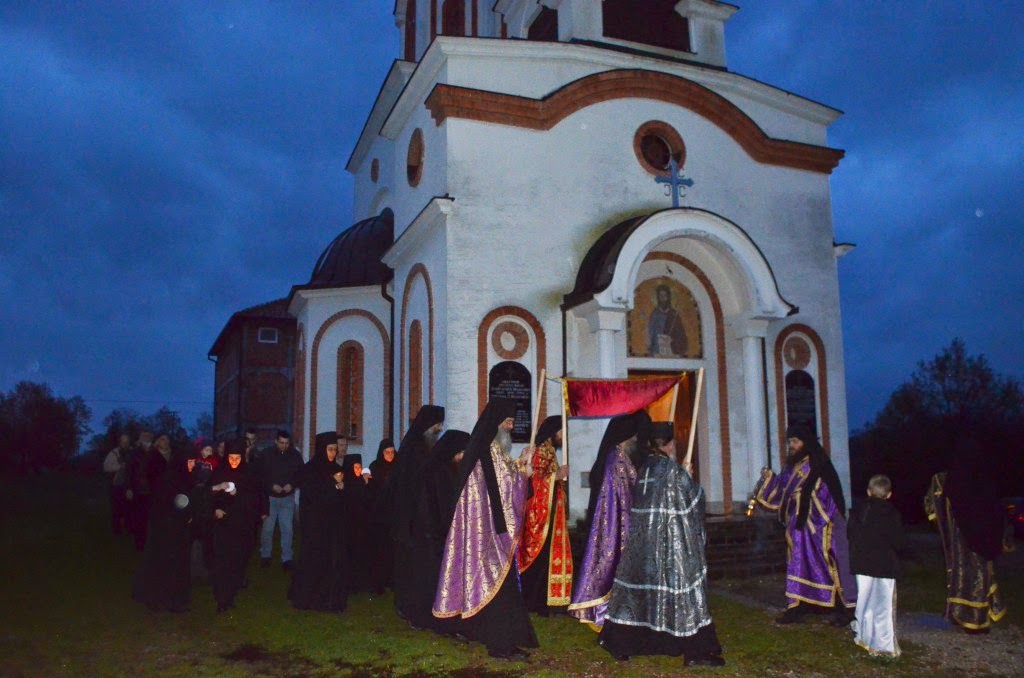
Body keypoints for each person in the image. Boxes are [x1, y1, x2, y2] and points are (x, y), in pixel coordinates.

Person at [598, 422, 725, 667]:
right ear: (670, 444)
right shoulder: (674, 472)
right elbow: (694, 503)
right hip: (670, 547)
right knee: (686, 594)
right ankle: (696, 652)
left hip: (643, 546)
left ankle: (621, 643)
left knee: (638, 595)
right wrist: (688, 477)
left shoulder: (644, 468)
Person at [433, 399, 538, 659]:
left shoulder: (492, 450)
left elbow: (504, 481)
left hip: (488, 531)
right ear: (497, 423)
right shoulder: (489, 451)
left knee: (498, 587)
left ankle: (503, 640)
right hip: (488, 534)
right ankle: (501, 645)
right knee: (498, 588)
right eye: (508, 422)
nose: (511, 427)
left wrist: (521, 464)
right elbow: (505, 487)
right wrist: (524, 473)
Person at [756, 425, 856, 625]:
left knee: (830, 564)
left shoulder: (818, 463)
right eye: (790, 442)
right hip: (799, 529)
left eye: (795, 441)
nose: (792, 446)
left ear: (806, 442)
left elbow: (828, 494)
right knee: (798, 564)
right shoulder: (793, 466)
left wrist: (808, 506)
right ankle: (798, 606)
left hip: (820, 526)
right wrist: (770, 479)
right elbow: (783, 488)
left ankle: (844, 609)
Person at [568, 411, 650, 628]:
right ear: (626, 436)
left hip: (619, 523)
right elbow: (623, 497)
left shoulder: (617, 457)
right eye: (634, 436)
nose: (637, 440)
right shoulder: (616, 461)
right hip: (616, 526)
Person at [924, 433, 1007, 632]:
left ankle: (968, 618)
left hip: (961, 541)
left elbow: (931, 507)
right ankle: (978, 619)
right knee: (981, 576)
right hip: (983, 539)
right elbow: (997, 509)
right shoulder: (985, 478)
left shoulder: (946, 479)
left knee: (963, 577)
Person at [396, 429, 471, 633]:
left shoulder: (448, 470)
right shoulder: (436, 473)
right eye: (461, 453)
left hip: (438, 534)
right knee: (426, 580)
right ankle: (423, 617)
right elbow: (434, 507)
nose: (462, 457)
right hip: (429, 535)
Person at [391, 405, 445, 622]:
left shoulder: (425, 448)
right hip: (413, 518)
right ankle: (410, 606)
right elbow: (412, 487)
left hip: (423, 517)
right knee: (412, 565)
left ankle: (419, 604)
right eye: (437, 426)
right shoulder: (414, 450)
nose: (439, 430)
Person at [518, 416, 572, 615]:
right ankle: (534, 602)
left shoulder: (550, 451)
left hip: (551, 515)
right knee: (540, 560)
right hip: (540, 517)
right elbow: (532, 482)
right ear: (552, 432)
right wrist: (555, 477)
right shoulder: (539, 451)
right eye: (561, 432)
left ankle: (546, 602)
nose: (563, 436)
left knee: (548, 559)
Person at [289, 432, 348, 612]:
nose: (333, 453)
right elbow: (314, 496)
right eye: (330, 449)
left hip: (331, 524)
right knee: (313, 559)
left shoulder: (336, 469)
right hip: (314, 524)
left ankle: (327, 599)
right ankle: (307, 598)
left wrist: (340, 488)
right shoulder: (311, 470)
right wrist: (333, 486)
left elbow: (340, 499)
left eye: (335, 450)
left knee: (330, 561)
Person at [131, 450, 195, 612]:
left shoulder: (185, 478)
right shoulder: (169, 479)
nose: (192, 465)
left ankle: (173, 600)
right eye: (189, 462)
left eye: (193, 461)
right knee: (166, 563)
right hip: (167, 530)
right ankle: (161, 599)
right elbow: (168, 504)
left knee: (176, 564)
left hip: (177, 529)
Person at [849, 474, 905, 656]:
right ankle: (883, 644)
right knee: (883, 604)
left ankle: (863, 635)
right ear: (889, 494)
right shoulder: (892, 513)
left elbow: (851, 534)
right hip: (884, 565)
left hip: (862, 563)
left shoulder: (858, 511)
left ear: (868, 491)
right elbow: (898, 541)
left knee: (864, 599)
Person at [209, 439, 262, 613]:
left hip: (241, 525)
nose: (234, 462)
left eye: (237, 458)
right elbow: (209, 494)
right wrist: (216, 508)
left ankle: (230, 595)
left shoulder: (248, 473)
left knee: (237, 562)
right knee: (222, 562)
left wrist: (239, 494)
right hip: (223, 526)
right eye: (231, 458)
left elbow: (254, 498)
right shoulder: (219, 472)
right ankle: (222, 598)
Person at [258, 430, 303, 570]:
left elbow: (301, 474)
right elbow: (260, 475)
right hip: (270, 498)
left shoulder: (295, 455)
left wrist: (292, 484)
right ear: (276, 441)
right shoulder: (266, 454)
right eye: (281, 443)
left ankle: (287, 558)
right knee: (268, 528)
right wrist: (271, 485)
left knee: (287, 529)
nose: (284, 446)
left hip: (287, 498)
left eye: (287, 443)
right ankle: (265, 555)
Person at [367, 438, 397, 595]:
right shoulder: (375, 467)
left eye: (392, 452)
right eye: (387, 452)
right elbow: (372, 490)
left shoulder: (398, 466)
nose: (390, 455)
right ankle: (378, 582)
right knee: (380, 550)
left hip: (393, 515)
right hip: (379, 516)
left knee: (393, 550)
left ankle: (391, 580)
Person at [188, 439, 220, 581]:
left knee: (206, 537)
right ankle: (195, 569)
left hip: (207, 504)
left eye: (211, 450)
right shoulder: (195, 463)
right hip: (196, 504)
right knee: (196, 537)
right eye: (207, 450)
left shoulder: (214, 464)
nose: (209, 453)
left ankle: (205, 568)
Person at [340, 453, 371, 594]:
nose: (358, 470)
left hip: (361, 526)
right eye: (355, 467)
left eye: (360, 467)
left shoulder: (361, 483)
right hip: (348, 526)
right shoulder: (346, 484)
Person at [103, 433, 133, 535]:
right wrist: (119, 467)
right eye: (123, 442)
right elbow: (106, 467)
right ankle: (117, 530)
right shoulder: (113, 453)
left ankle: (128, 528)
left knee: (129, 508)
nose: (125, 444)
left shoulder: (133, 452)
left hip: (130, 486)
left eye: (127, 442)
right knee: (117, 509)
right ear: (120, 442)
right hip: (117, 485)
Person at [647, 284, 687, 357]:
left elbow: (681, 335)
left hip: (671, 349)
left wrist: (672, 339)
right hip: (657, 349)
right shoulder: (655, 314)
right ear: (658, 297)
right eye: (661, 296)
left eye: (665, 295)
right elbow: (650, 333)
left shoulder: (674, 314)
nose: (663, 298)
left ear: (669, 297)